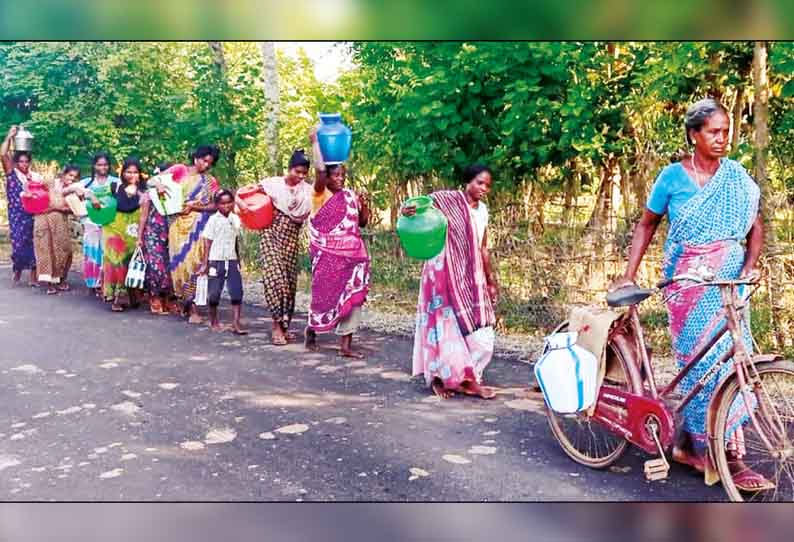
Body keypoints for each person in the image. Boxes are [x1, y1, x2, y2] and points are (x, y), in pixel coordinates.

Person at [609, 98, 771, 492]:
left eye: (726, 132)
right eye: (714, 132)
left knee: (731, 362)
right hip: (688, 285)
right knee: (700, 367)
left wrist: (748, 269)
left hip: (730, 285)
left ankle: (724, 450)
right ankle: (701, 448)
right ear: (694, 135)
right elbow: (647, 225)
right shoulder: (672, 178)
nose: (722, 139)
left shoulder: (736, 177)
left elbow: (755, 227)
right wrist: (628, 274)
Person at [406, 164, 500, 400]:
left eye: (487, 185)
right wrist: (408, 209)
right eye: (480, 182)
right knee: (443, 326)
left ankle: (470, 377)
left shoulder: (483, 211)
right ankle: (442, 378)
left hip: (471, 275)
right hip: (442, 273)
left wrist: (490, 280)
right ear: (467, 181)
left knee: (483, 331)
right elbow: (418, 206)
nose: (484, 188)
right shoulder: (448, 201)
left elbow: (483, 248)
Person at [236, 149, 313, 345]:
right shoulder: (272, 184)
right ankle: (276, 326)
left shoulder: (307, 191)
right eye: (297, 171)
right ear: (289, 169)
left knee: (288, 283)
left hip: (291, 239)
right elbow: (241, 194)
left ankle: (285, 326)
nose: (300, 176)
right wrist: (244, 208)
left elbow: (308, 212)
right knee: (274, 279)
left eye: (304, 173)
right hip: (270, 234)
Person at [304, 133, 371, 358]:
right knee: (323, 296)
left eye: (342, 175)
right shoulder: (319, 194)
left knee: (352, 297)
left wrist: (364, 205)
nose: (340, 179)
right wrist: (315, 142)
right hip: (326, 255)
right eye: (336, 175)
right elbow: (320, 172)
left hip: (352, 256)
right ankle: (312, 328)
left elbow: (361, 223)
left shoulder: (350, 196)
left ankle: (345, 345)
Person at [162, 145, 220, 324]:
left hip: (198, 225)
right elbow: (155, 182)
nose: (206, 165)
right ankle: (183, 301)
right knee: (179, 265)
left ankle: (193, 306)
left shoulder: (210, 181)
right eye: (204, 160)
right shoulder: (179, 171)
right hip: (177, 224)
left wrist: (194, 207)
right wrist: (161, 189)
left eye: (210, 162)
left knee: (195, 264)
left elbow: (215, 205)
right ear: (196, 157)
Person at [199, 189, 247, 335]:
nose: (226, 206)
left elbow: (238, 238)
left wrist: (239, 260)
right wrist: (205, 263)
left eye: (229, 203)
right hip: (216, 260)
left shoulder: (235, 218)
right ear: (217, 205)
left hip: (231, 260)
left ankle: (236, 324)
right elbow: (208, 241)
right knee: (214, 294)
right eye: (222, 203)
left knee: (237, 292)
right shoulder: (213, 220)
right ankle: (214, 321)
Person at [103, 157, 146, 312]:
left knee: (129, 264)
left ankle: (131, 296)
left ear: (140, 174)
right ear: (123, 173)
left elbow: (143, 217)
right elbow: (103, 205)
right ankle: (116, 298)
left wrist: (140, 237)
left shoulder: (144, 193)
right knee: (116, 263)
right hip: (113, 230)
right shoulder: (114, 187)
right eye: (128, 172)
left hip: (132, 232)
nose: (132, 175)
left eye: (135, 172)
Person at [31, 164, 81, 294]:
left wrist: (56, 208)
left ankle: (60, 279)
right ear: (63, 174)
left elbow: (75, 210)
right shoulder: (50, 182)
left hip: (60, 224)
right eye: (70, 175)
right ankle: (50, 283)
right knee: (46, 251)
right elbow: (33, 190)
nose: (72, 179)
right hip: (43, 221)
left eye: (75, 178)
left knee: (64, 250)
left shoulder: (74, 190)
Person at [136, 161, 175, 315]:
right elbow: (143, 216)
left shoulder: (174, 191)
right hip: (153, 232)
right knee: (155, 266)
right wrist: (139, 237)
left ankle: (168, 298)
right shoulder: (150, 193)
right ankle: (155, 297)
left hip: (171, 232)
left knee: (169, 266)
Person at [1, 125, 38, 286]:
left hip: (31, 215)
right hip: (16, 215)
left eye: (26, 161)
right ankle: (17, 270)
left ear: (29, 163)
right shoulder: (12, 174)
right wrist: (9, 136)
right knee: (18, 243)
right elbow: (3, 154)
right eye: (20, 161)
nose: (23, 164)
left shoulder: (32, 178)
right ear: (16, 163)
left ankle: (33, 276)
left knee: (32, 243)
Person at [80, 152, 119, 296]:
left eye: (105, 164)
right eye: (99, 164)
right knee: (92, 253)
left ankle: (106, 284)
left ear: (109, 166)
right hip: (91, 224)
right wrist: (89, 194)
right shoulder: (86, 183)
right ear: (94, 166)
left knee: (107, 253)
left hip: (110, 223)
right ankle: (92, 283)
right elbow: (68, 190)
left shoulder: (115, 181)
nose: (102, 167)